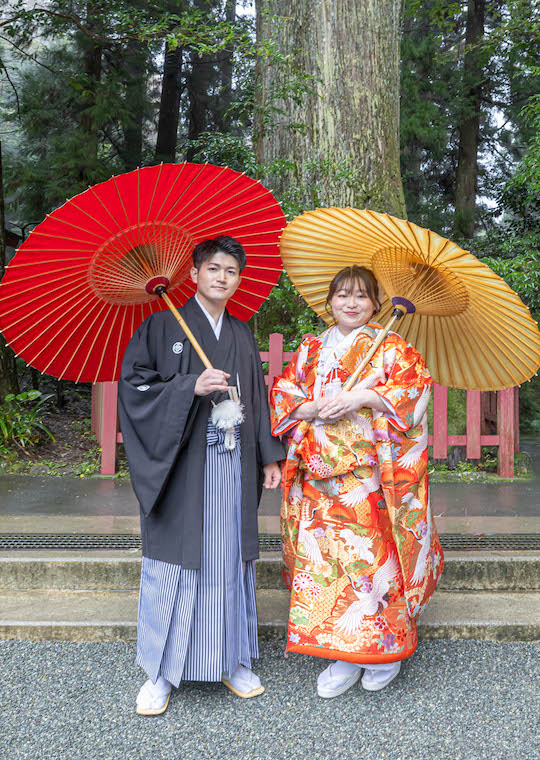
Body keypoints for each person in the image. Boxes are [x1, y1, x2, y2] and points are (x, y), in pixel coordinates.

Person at [118, 235, 284, 715]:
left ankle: (231, 660)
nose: (222, 277)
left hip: (232, 465)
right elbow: (135, 389)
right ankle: (161, 673)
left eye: (232, 271)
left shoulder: (241, 333)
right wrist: (190, 385)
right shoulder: (159, 326)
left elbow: (258, 395)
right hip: (181, 466)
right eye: (213, 268)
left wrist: (269, 456)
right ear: (193, 275)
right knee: (176, 562)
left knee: (227, 557)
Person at [270, 265, 444, 698]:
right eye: (342, 295)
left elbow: (415, 397)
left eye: (361, 296)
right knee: (329, 564)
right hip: (320, 476)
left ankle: (386, 648)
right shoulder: (312, 346)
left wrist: (362, 397)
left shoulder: (392, 347)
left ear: (375, 304)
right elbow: (285, 393)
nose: (350, 303)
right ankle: (343, 652)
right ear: (329, 301)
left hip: (369, 480)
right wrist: (309, 409)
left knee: (373, 565)